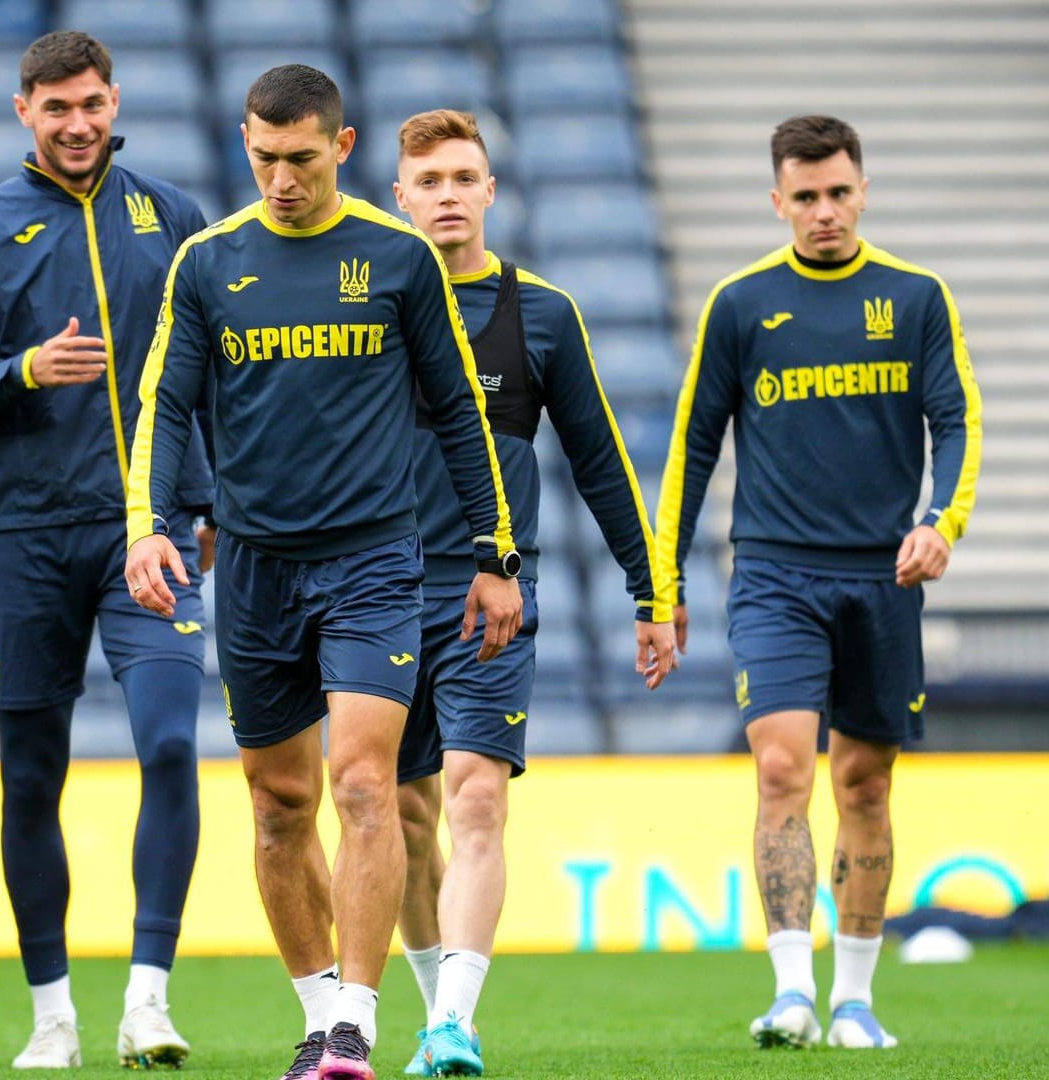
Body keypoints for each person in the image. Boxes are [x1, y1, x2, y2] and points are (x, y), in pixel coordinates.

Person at [125, 66, 521, 1080]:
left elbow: (460, 417)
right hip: (256, 568)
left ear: (342, 150)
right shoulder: (209, 263)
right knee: (276, 804)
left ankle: (355, 1020)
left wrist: (494, 554)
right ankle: (315, 1023)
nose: (280, 177)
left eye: (300, 158)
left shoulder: (398, 261)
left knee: (361, 782)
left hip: (376, 562)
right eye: (262, 158)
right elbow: (165, 404)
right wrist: (149, 524)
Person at [654, 114, 981, 1052]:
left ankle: (856, 1000)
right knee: (783, 767)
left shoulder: (916, 298)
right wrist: (663, 580)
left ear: (863, 189)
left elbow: (957, 421)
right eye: (805, 197)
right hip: (773, 574)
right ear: (777, 202)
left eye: (839, 192)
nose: (824, 211)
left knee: (866, 783)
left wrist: (938, 522)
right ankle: (792, 991)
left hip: (882, 577)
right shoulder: (741, 303)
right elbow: (692, 446)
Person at [0, 29, 213, 1070]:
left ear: (113, 99)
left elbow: (208, 375)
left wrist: (208, 500)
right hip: (30, 538)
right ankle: (52, 1015)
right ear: (24, 113)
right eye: (56, 109)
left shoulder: (172, 216)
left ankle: (149, 1001)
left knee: (173, 743)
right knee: (29, 779)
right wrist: (23, 374)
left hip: (150, 532)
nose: (78, 123)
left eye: (91, 103)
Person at [386, 108, 676, 1077]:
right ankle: (437, 1010)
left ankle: (453, 1026)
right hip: (374, 591)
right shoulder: (371, 304)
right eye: (429, 181)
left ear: (491, 191)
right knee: (402, 818)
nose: (448, 196)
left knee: (474, 801)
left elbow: (600, 464)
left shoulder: (543, 314)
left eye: (464, 178)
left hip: (493, 596)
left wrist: (651, 591)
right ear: (400, 196)